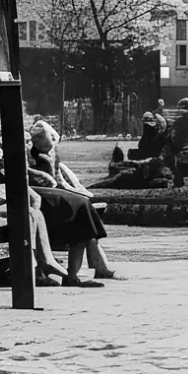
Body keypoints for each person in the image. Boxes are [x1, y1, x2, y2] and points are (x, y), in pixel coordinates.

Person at [26, 121, 121, 287]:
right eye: (27, 142)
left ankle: (84, 272)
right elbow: (47, 184)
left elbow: (59, 182)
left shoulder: (45, 157)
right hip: (44, 205)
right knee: (83, 212)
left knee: (84, 210)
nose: (29, 144)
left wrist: (78, 193)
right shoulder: (33, 159)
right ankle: (79, 274)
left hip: (49, 200)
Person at [0, 141, 69, 288]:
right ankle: (34, 266)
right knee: (28, 213)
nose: (29, 145)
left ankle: (45, 261)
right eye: (26, 142)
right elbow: (33, 198)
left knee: (34, 213)